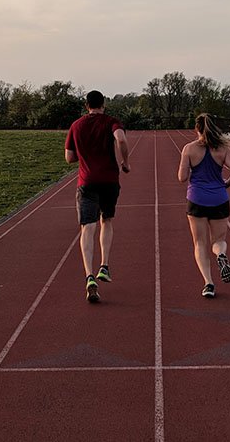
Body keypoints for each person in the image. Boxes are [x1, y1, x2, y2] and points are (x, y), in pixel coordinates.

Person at [65, 90, 130, 303]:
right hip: (109, 180)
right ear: (104, 104)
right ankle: (104, 265)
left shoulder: (76, 126)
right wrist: (125, 161)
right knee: (107, 220)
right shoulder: (111, 121)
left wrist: (85, 155)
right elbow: (120, 139)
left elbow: (69, 158)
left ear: (86, 105)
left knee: (88, 227)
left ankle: (89, 275)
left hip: (87, 181)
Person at [177, 113, 230, 298]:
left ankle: (208, 283)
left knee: (199, 243)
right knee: (218, 241)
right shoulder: (223, 148)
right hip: (219, 199)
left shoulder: (189, 149)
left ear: (196, 129)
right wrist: (225, 184)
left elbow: (181, 178)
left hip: (197, 199)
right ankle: (221, 255)